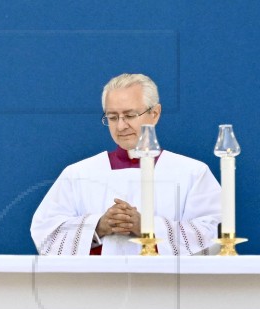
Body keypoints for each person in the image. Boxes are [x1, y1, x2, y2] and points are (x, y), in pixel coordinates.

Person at [31, 73, 221, 256]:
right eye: (112, 117)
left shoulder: (192, 173)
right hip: (96, 286)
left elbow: (215, 233)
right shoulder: (78, 173)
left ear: (154, 114)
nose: (121, 126)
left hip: (165, 286)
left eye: (130, 115)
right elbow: (45, 233)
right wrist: (98, 226)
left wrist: (148, 227)